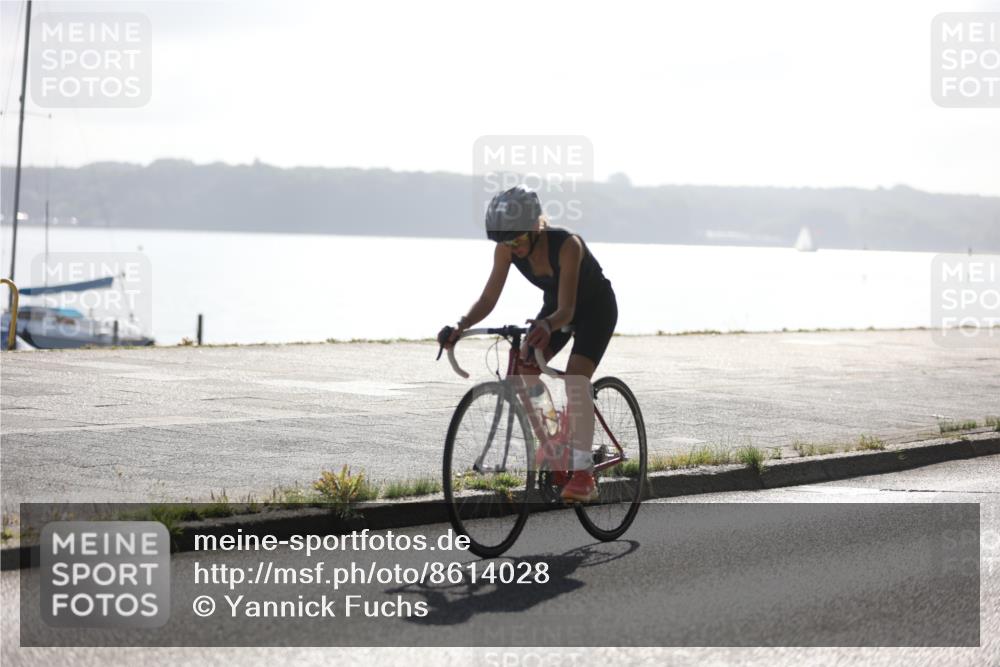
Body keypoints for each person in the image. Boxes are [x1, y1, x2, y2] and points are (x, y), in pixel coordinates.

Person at [439, 185, 618, 502]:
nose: (513, 247)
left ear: (536, 226)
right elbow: (488, 297)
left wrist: (547, 325)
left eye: (518, 239)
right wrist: (460, 326)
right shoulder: (507, 248)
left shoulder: (568, 245)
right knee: (525, 369)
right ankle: (556, 441)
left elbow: (568, 311)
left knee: (576, 380)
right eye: (506, 242)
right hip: (555, 309)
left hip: (594, 309)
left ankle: (583, 474)